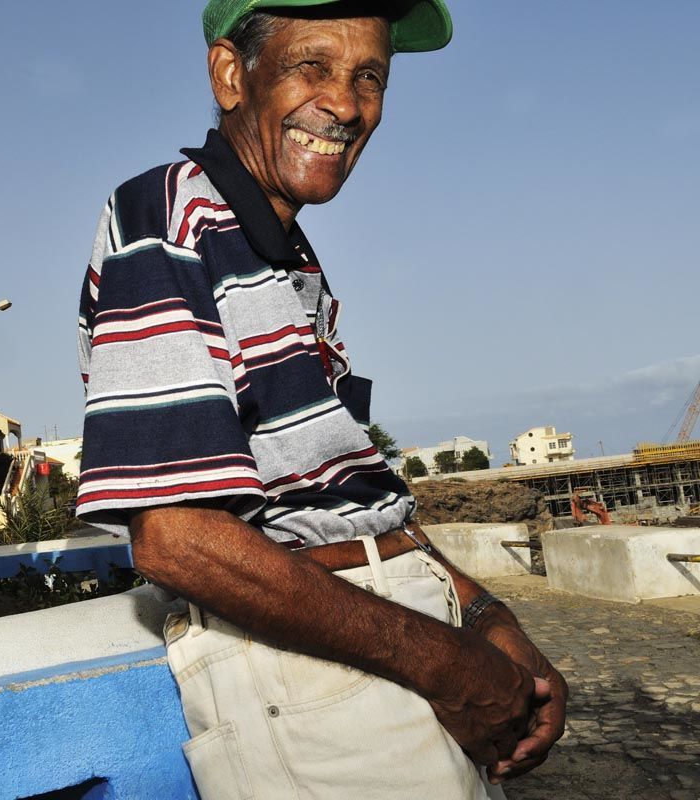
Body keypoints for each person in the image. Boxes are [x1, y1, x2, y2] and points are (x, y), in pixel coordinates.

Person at [74, 1, 567, 797]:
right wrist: (441, 661)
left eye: (369, 77)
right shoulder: (166, 215)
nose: (344, 103)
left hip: (371, 651)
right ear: (231, 75)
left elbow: (347, 498)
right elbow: (174, 536)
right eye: (312, 66)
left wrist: (483, 616)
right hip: (318, 676)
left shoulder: (284, 254)